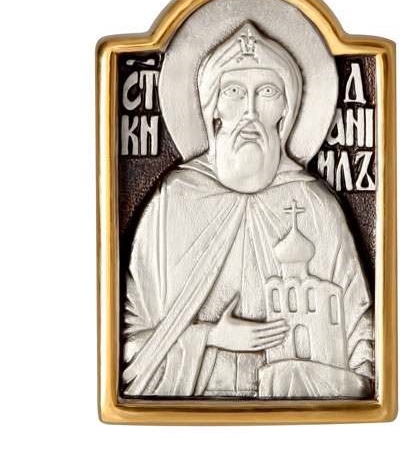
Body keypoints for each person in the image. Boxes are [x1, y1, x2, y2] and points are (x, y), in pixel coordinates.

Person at [123, 23, 373, 397]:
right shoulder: (173, 201)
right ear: (213, 106)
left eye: (267, 92)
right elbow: (130, 349)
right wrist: (210, 336)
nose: (250, 111)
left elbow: (361, 338)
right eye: (234, 92)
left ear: (287, 108)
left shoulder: (316, 205)